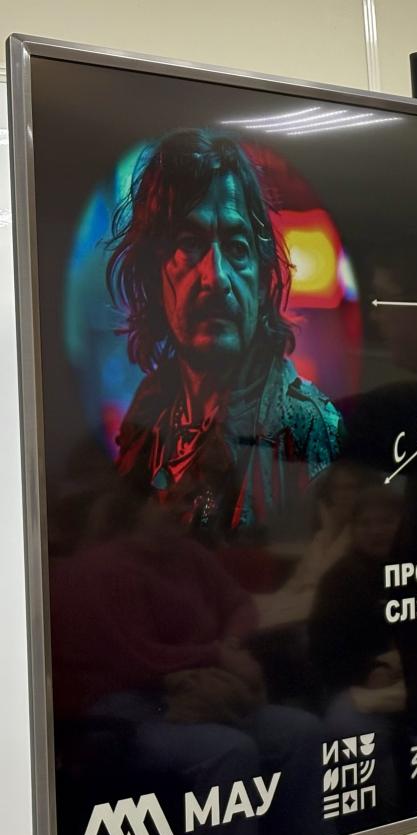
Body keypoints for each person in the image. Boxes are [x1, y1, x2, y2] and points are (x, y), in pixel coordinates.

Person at [107, 129, 342, 536]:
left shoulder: (306, 427)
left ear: (262, 279)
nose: (216, 278)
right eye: (189, 242)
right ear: (152, 273)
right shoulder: (150, 413)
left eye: (236, 247)